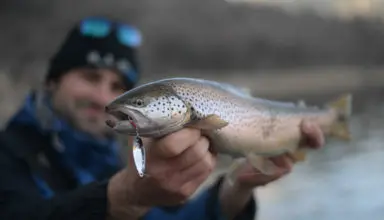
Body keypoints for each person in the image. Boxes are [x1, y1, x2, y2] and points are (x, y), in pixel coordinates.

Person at [0, 16, 325, 220]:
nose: (103, 98)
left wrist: (235, 189)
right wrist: (124, 196)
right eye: (89, 77)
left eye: (117, 86)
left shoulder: (117, 156)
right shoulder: (8, 154)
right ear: (52, 80)